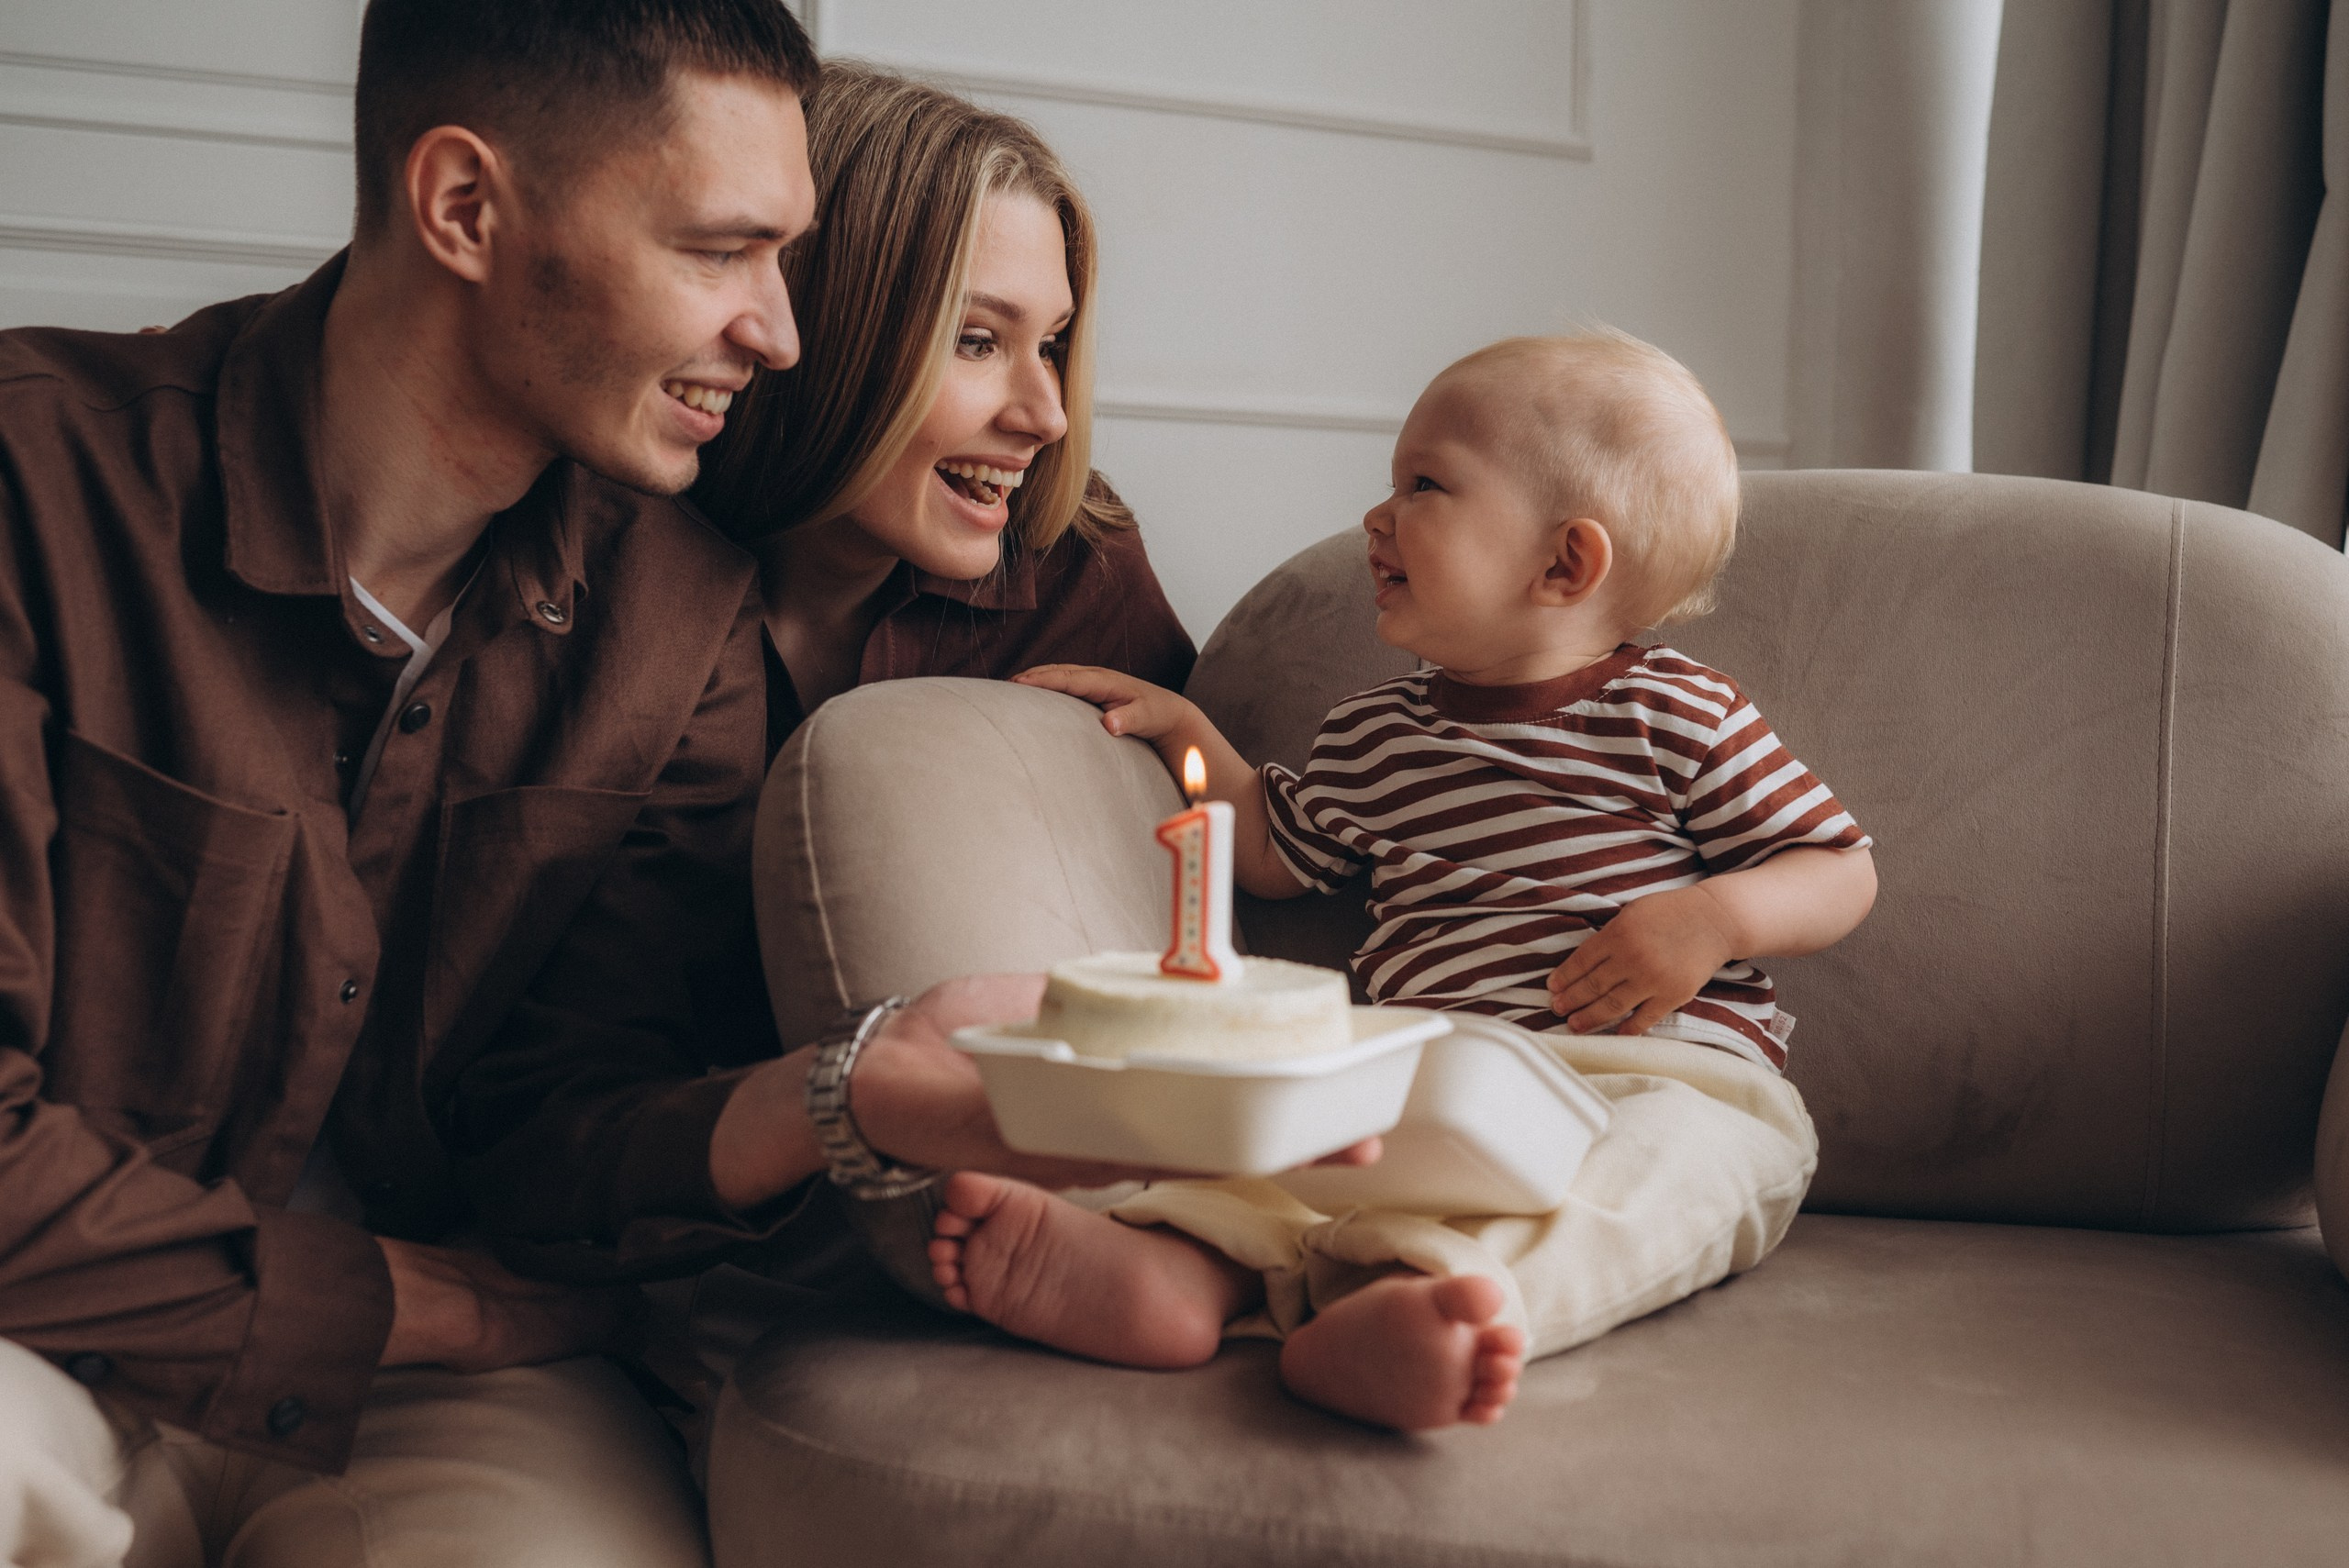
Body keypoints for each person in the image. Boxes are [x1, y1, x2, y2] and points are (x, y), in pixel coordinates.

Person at [0, 2, 829, 1563]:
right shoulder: (31, 484)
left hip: (455, 1385)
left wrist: (830, 1099)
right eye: (723, 250)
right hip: (48, 1319)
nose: (776, 330)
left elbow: (560, 1124)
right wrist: (413, 1298)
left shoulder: (681, 622)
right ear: (465, 207)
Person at [952, 330, 1879, 1430]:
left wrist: (1713, 916)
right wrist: (1188, 736)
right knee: (1279, 1158)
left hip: (1660, 1076)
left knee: (1668, 1181)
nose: (1374, 518)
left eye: (1423, 485)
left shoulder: (1677, 713)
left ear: (1563, 564)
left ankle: (1439, 1308)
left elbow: (1838, 865)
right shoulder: (1375, 737)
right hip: (1432, 1083)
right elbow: (1271, 857)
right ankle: (1181, 1268)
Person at [691, 64, 1195, 761]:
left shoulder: (1084, 573)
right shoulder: (615, 556)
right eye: (977, 341)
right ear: (818, 324)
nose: (1049, 418)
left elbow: (1198, 848)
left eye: (1051, 345)